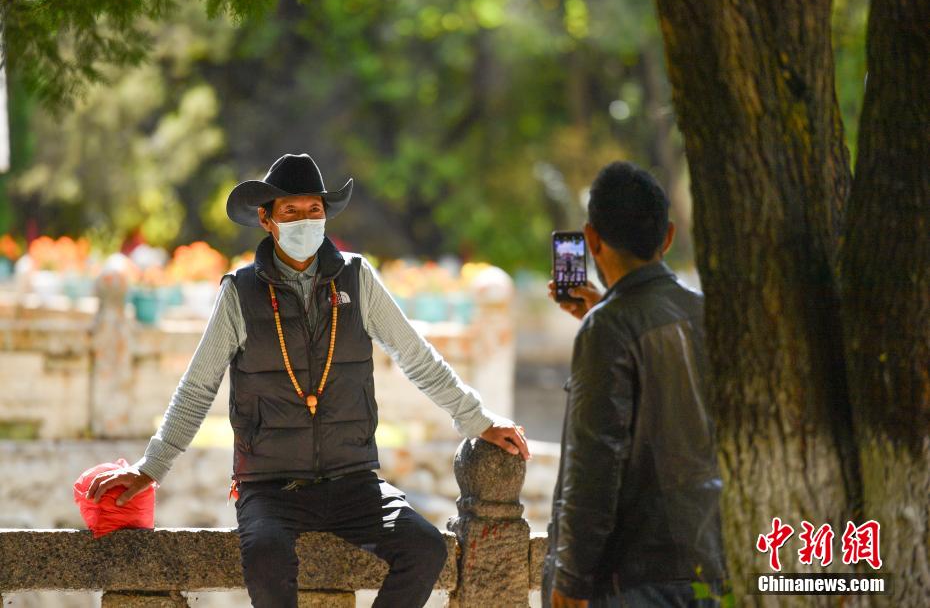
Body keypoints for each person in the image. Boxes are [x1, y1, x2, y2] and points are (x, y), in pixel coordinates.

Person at [85, 153, 530, 608]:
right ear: (267, 220)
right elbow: (197, 387)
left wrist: (478, 419)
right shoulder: (240, 292)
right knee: (266, 557)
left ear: (325, 215)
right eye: (291, 211)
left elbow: (417, 357)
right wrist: (151, 466)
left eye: (313, 210)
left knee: (425, 549)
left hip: (353, 480)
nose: (305, 220)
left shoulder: (357, 278)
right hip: (270, 486)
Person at [543, 161, 725, 608]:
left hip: (633, 576)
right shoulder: (707, 314)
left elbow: (595, 464)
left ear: (592, 240)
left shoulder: (608, 327)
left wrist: (570, 579)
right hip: (709, 562)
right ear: (668, 237)